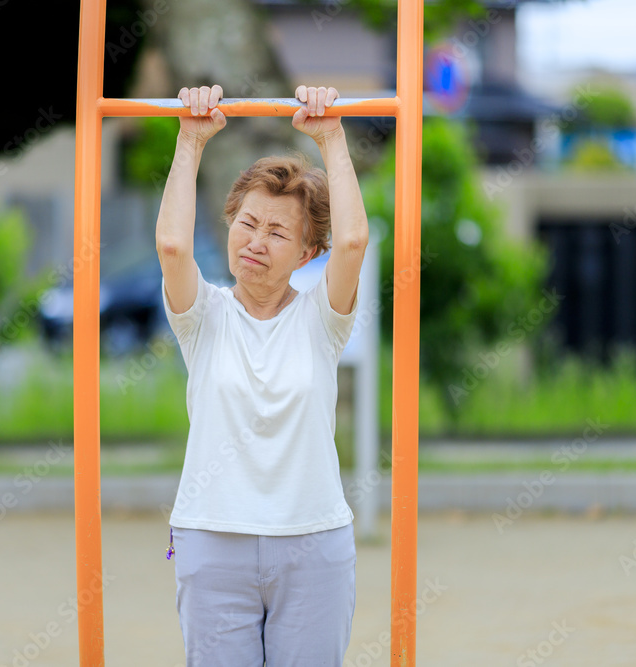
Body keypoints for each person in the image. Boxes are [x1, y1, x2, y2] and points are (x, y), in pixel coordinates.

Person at [156, 83, 368, 666]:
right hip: (212, 539)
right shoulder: (204, 318)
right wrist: (191, 139)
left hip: (312, 543)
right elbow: (173, 246)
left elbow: (352, 240)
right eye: (247, 224)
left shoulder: (322, 321)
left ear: (305, 254)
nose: (256, 242)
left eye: (277, 233)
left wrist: (330, 135)